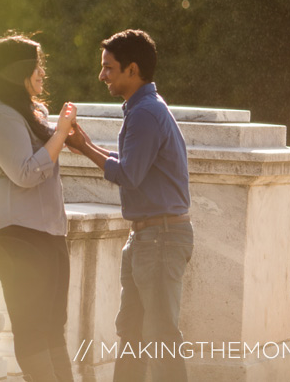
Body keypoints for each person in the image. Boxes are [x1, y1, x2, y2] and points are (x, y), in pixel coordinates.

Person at [64, 29, 192, 382]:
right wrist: (87, 145)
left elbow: (129, 174)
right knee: (132, 334)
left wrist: (84, 149)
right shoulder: (145, 109)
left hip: (161, 238)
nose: (102, 75)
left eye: (108, 68)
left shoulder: (145, 114)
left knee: (161, 336)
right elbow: (134, 163)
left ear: (132, 70)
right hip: (149, 238)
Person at [0, 33, 78, 382]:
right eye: (36, 66)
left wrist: (62, 134)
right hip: (14, 232)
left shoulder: (29, 114)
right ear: (18, 72)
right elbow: (26, 174)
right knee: (32, 327)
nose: (43, 73)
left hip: (47, 230)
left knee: (53, 325)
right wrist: (58, 135)